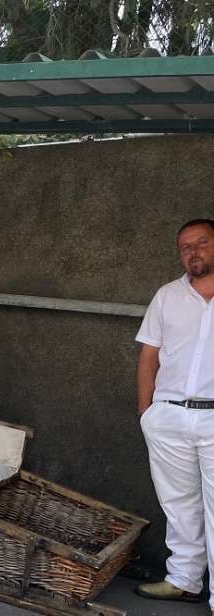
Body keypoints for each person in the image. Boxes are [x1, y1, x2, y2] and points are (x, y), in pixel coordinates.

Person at [134, 218, 214, 609]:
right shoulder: (167, 295)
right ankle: (184, 579)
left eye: (201, 242)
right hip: (169, 417)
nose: (193, 251)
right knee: (179, 504)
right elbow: (149, 354)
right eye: (185, 247)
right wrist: (146, 412)